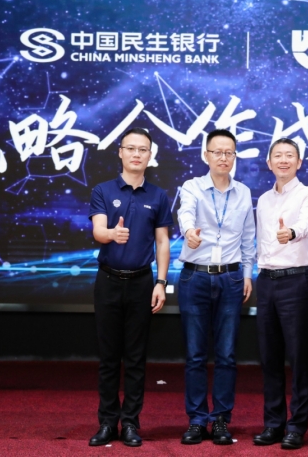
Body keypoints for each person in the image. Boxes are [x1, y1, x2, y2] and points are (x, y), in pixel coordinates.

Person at [87, 127, 173, 447]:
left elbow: (162, 242)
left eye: (143, 149)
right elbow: (98, 231)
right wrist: (112, 234)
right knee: (109, 357)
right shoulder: (103, 190)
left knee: (136, 358)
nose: (137, 154)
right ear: (120, 152)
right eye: (131, 148)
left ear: (150, 156)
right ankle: (107, 422)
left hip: (142, 282)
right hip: (108, 281)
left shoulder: (158, 195)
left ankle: (131, 423)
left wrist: (161, 282)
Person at [176, 128, 255, 445]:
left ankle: (221, 419)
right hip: (195, 276)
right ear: (206, 155)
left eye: (229, 153)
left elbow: (248, 237)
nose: (223, 158)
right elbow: (185, 213)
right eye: (217, 152)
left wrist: (247, 274)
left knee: (226, 354)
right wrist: (189, 233)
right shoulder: (192, 186)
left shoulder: (244, 192)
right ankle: (197, 420)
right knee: (195, 355)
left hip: (231, 278)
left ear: (234, 156)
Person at [253, 138, 308, 450]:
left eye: (289, 155)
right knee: (269, 357)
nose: (283, 160)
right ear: (269, 163)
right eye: (277, 155)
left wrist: (291, 232)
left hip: (295, 281)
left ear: (299, 162)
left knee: (298, 357)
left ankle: (296, 426)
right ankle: (273, 424)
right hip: (266, 280)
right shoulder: (263, 199)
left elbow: (305, 224)